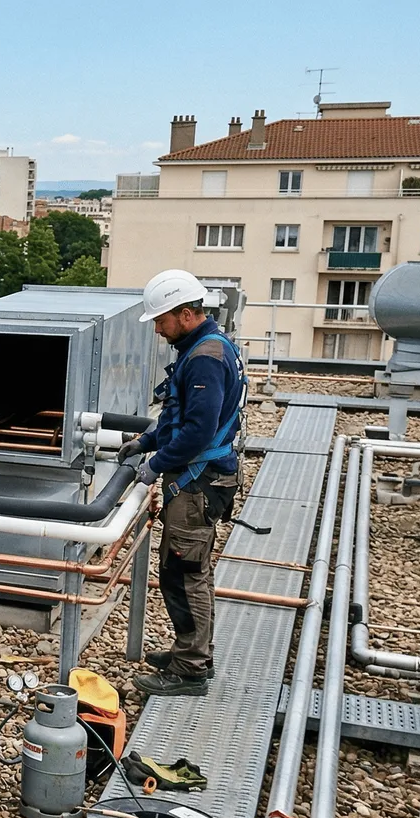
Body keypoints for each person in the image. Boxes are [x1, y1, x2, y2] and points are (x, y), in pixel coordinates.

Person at [122, 270, 247, 697]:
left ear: (187, 314)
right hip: (198, 479)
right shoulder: (203, 348)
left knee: (186, 571)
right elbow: (180, 419)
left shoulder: (205, 359)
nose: (158, 329)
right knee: (180, 570)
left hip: (197, 483)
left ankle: (191, 668)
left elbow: (196, 431)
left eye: (162, 320)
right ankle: (189, 650)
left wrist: (156, 463)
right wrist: (146, 440)